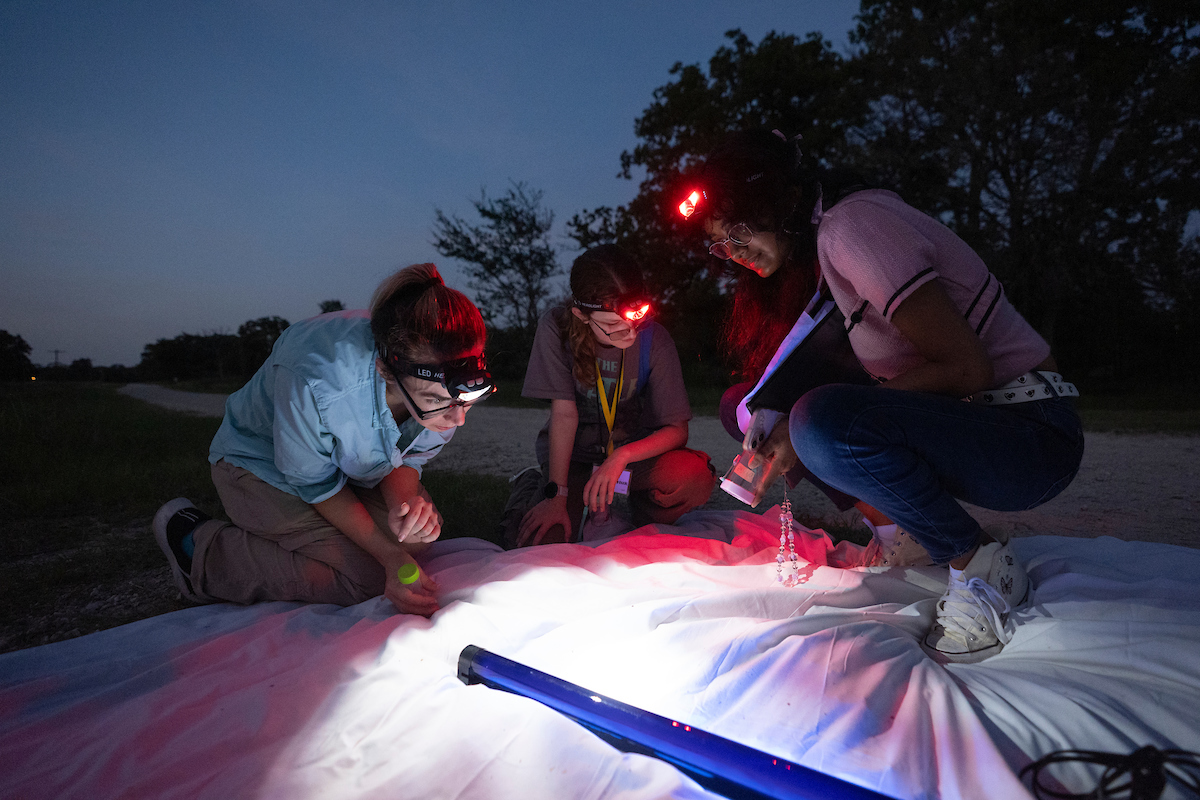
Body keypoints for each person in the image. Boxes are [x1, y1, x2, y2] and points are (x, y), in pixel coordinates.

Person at [682, 130, 1084, 662]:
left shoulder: (852, 229)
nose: (733, 254)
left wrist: (807, 430)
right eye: (720, 246)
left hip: (1030, 432)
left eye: (736, 233)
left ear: (772, 200)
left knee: (818, 421)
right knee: (752, 404)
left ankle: (980, 565)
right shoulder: (827, 248)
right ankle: (906, 534)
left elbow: (967, 368)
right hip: (980, 423)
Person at [153, 263, 493, 617]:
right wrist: (389, 556)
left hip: (345, 472)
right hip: (260, 468)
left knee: (416, 540)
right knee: (369, 579)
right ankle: (199, 549)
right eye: (438, 402)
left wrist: (403, 506)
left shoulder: (443, 376)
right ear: (385, 370)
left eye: (468, 399)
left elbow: (405, 457)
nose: (459, 418)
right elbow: (316, 484)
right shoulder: (318, 380)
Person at [506, 244, 716, 547]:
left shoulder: (654, 340)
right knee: (539, 544)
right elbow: (564, 414)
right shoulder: (557, 328)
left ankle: (639, 516)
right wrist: (557, 495)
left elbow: (676, 431)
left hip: (631, 464)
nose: (629, 333)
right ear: (582, 315)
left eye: (636, 318)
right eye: (613, 326)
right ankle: (535, 487)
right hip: (575, 461)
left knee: (692, 477)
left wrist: (621, 456)